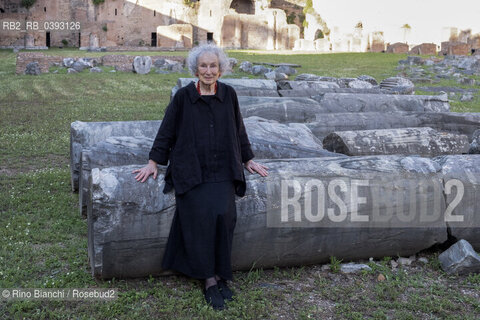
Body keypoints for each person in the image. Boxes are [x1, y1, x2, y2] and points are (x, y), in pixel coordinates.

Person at [132, 43, 268, 310]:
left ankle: (220, 274)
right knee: (201, 218)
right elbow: (166, 131)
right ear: (195, 69)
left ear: (221, 69)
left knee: (225, 216)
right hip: (191, 170)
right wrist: (153, 162)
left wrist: (248, 158)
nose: (208, 71)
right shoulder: (183, 97)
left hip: (223, 168)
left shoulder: (228, 94)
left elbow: (238, 128)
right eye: (203, 66)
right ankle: (208, 280)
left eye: (213, 66)